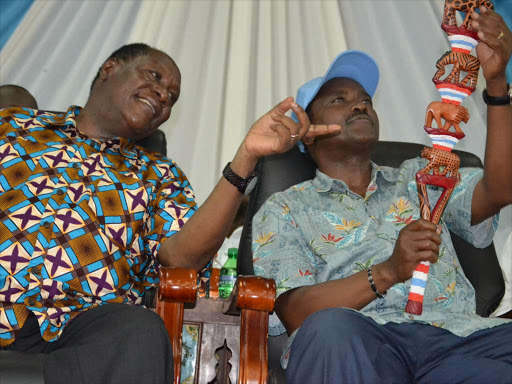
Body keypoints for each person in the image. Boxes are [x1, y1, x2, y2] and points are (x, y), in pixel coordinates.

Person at [0, 43, 340, 383]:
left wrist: (245, 157)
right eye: (154, 77)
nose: (163, 95)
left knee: (140, 329)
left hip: (82, 329)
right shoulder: (13, 126)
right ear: (109, 68)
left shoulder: (160, 175)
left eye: (172, 97)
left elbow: (180, 260)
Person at [253, 7, 512, 383]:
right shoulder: (285, 208)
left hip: (457, 341)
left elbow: (500, 189)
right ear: (308, 132)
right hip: (361, 342)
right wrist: (388, 271)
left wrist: (498, 84)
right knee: (329, 330)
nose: (359, 104)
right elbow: (295, 312)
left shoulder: (420, 175)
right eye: (338, 100)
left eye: (366, 101)